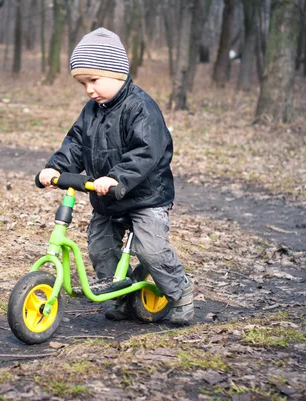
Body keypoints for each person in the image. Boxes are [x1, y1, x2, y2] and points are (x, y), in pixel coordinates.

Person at [38, 28, 194, 324]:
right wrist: (56, 168)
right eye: (83, 83)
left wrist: (117, 177)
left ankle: (180, 291)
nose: (88, 89)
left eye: (93, 80)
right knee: (100, 247)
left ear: (117, 73)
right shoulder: (91, 111)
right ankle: (120, 296)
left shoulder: (141, 108)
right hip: (107, 199)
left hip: (145, 199)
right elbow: (75, 144)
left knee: (151, 250)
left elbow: (146, 152)